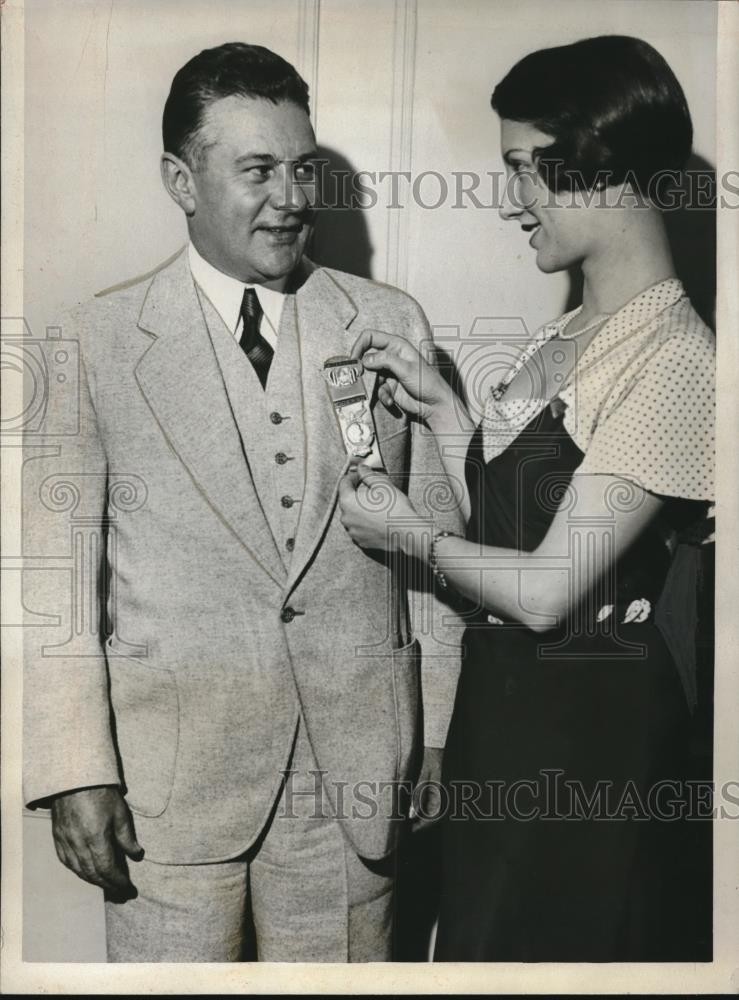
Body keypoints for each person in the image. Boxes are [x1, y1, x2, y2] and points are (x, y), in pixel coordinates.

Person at [22, 42, 462, 963]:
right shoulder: (96, 340)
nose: (292, 196)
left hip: (356, 782)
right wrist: (74, 771)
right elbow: (55, 582)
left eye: (302, 167)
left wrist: (439, 731)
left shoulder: (389, 323)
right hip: (167, 793)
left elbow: (436, 553)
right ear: (180, 182)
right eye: (257, 169)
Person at [338, 35, 714, 961]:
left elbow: (547, 591)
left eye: (523, 169)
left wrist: (407, 534)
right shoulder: (577, 330)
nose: (512, 203)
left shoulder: (676, 361)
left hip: (588, 745)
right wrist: (444, 416)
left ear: (595, 164)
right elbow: (527, 520)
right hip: (502, 724)